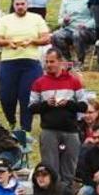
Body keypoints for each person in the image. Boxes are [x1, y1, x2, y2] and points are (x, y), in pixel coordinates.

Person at [0, 0, 50, 131]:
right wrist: (7, 42)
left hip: (30, 63)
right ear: (13, 4)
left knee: (27, 98)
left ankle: (26, 130)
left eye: (22, 4)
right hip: (9, 62)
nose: (20, 7)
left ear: (27, 4)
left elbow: (46, 38)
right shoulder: (6, 20)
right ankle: (11, 121)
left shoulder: (36, 18)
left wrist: (32, 41)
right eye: (17, 4)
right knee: (6, 97)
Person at [29, 49, 87, 184]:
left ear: (60, 62)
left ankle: (67, 194)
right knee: (50, 168)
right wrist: (46, 104)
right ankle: (52, 194)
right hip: (49, 130)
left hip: (70, 130)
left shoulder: (74, 81)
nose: (49, 65)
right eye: (47, 61)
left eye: (52, 61)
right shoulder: (39, 83)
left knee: (69, 167)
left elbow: (84, 106)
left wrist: (68, 104)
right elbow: (31, 108)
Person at [50, 0, 96, 65]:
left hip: (87, 30)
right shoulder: (66, 0)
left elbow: (96, 18)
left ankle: (80, 61)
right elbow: (59, 19)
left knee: (77, 34)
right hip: (69, 29)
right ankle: (68, 61)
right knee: (56, 35)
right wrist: (64, 21)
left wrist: (86, 25)